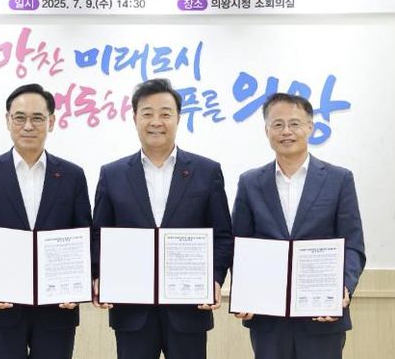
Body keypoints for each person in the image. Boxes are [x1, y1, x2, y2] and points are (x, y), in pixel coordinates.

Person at [91, 78, 233, 359]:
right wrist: (99, 274)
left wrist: (215, 279)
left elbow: (222, 234)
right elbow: (99, 233)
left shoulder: (207, 172)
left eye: (165, 114)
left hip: (189, 308)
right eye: (147, 113)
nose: (156, 121)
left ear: (178, 118)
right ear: (135, 118)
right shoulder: (112, 174)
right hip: (131, 309)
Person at [0, 83, 92, 359]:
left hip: (58, 308)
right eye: (20, 117)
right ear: (8, 120)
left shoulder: (72, 175)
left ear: (51, 122)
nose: (28, 126)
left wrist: (79, 284)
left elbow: (85, 235)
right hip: (1, 307)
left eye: (37, 118)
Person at [232, 93, 366, 359]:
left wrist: (343, 286)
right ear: (267, 131)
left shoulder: (339, 179)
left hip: (321, 315)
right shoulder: (250, 182)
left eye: (294, 123)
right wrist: (243, 292)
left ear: (310, 127)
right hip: (268, 317)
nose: (286, 131)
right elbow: (239, 244)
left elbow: (353, 245)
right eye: (278, 124)